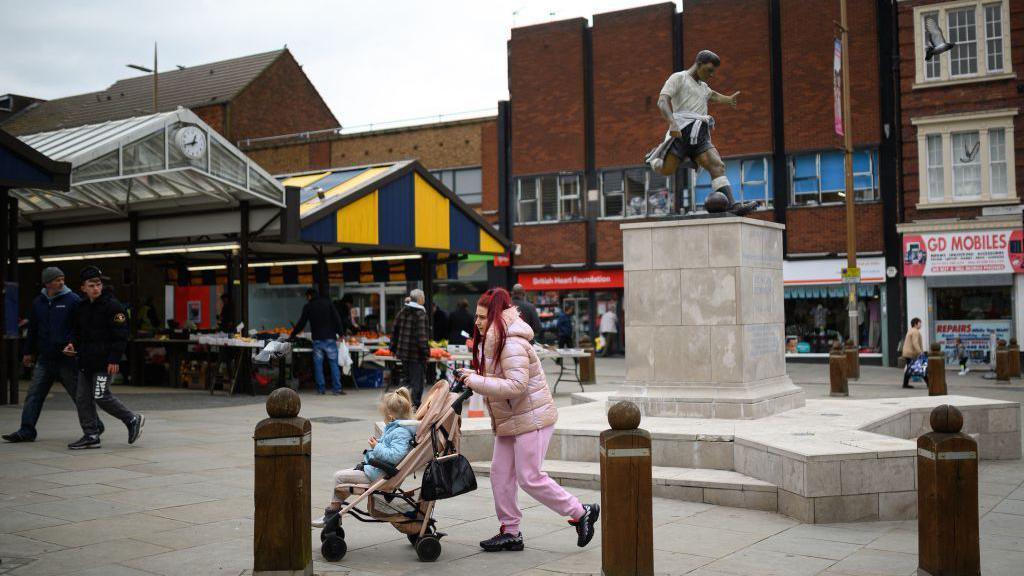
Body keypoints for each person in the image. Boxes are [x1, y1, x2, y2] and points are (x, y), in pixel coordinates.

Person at [454, 288, 599, 552]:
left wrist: (476, 381)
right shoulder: (494, 340)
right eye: (476, 317)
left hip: (532, 418)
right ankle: (510, 531)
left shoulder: (511, 342)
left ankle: (580, 512)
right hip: (511, 418)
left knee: (530, 477)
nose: (477, 322)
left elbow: (517, 385)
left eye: (483, 317)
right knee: (500, 475)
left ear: (497, 316)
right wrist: (471, 374)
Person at [653, 50, 757, 215]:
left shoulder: (703, 87)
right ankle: (657, 155)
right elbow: (662, 100)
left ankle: (732, 205)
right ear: (698, 64)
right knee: (666, 169)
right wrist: (672, 123)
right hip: (681, 130)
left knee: (717, 165)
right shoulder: (679, 78)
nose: (712, 75)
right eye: (709, 70)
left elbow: (712, 95)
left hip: (699, 133)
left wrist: (728, 99)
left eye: (714, 72)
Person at [3, 268, 101, 443]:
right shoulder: (38, 302)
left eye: (62, 279)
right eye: (57, 280)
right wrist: (27, 352)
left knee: (79, 396)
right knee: (33, 395)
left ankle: (96, 425)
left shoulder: (73, 300)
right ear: (47, 283)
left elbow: (78, 327)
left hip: (67, 359)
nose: (61, 282)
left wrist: (73, 344)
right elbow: (33, 330)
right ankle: (27, 431)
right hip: (45, 359)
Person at [312, 387, 418, 528]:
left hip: (378, 474)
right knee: (342, 479)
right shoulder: (398, 429)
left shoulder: (400, 432)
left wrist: (377, 447)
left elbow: (394, 456)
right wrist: (379, 443)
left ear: (391, 416)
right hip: (376, 470)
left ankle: (332, 515)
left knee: (339, 477)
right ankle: (333, 513)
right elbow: (393, 450)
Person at [65, 266, 144, 450]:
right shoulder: (82, 308)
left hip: (104, 363)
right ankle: (91, 435)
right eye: (91, 285)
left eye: (98, 284)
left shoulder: (113, 306)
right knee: (82, 398)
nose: (95, 288)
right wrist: (72, 345)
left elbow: (121, 335)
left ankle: (132, 419)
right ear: (83, 288)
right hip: (85, 362)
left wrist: (115, 359)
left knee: (100, 395)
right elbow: (77, 333)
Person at [290, 288, 346, 395]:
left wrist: (293, 334)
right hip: (330, 338)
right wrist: (341, 334)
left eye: (307, 297)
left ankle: (321, 389)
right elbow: (337, 318)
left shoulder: (309, 306)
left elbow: (302, 322)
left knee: (318, 365)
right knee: (334, 364)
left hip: (317, 340)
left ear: (309, 296)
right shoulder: (328, 303)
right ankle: (337, 389)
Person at [390, 289, 430, 407]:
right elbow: (422, 337)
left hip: (403, 354)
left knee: (406, 380)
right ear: (420, 299)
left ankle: (398, 404)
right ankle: (414, 407)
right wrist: (426, 352)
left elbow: (394, 330)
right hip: (416, 355)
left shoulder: (403, 311)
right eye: (423, 298)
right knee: (417, 382)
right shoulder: (421, 314)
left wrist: (393, 347)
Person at [901, 317, 927, 390]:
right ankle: (929, 383)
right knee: (921, 368)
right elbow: (915, 343)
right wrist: (920, 352)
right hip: (911, 354)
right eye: (919, 323)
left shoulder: (911, 331)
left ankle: (905, 384)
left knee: (910, 369)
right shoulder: (915, 331)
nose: (920, 324)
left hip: (908, 353)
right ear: (915, 324)